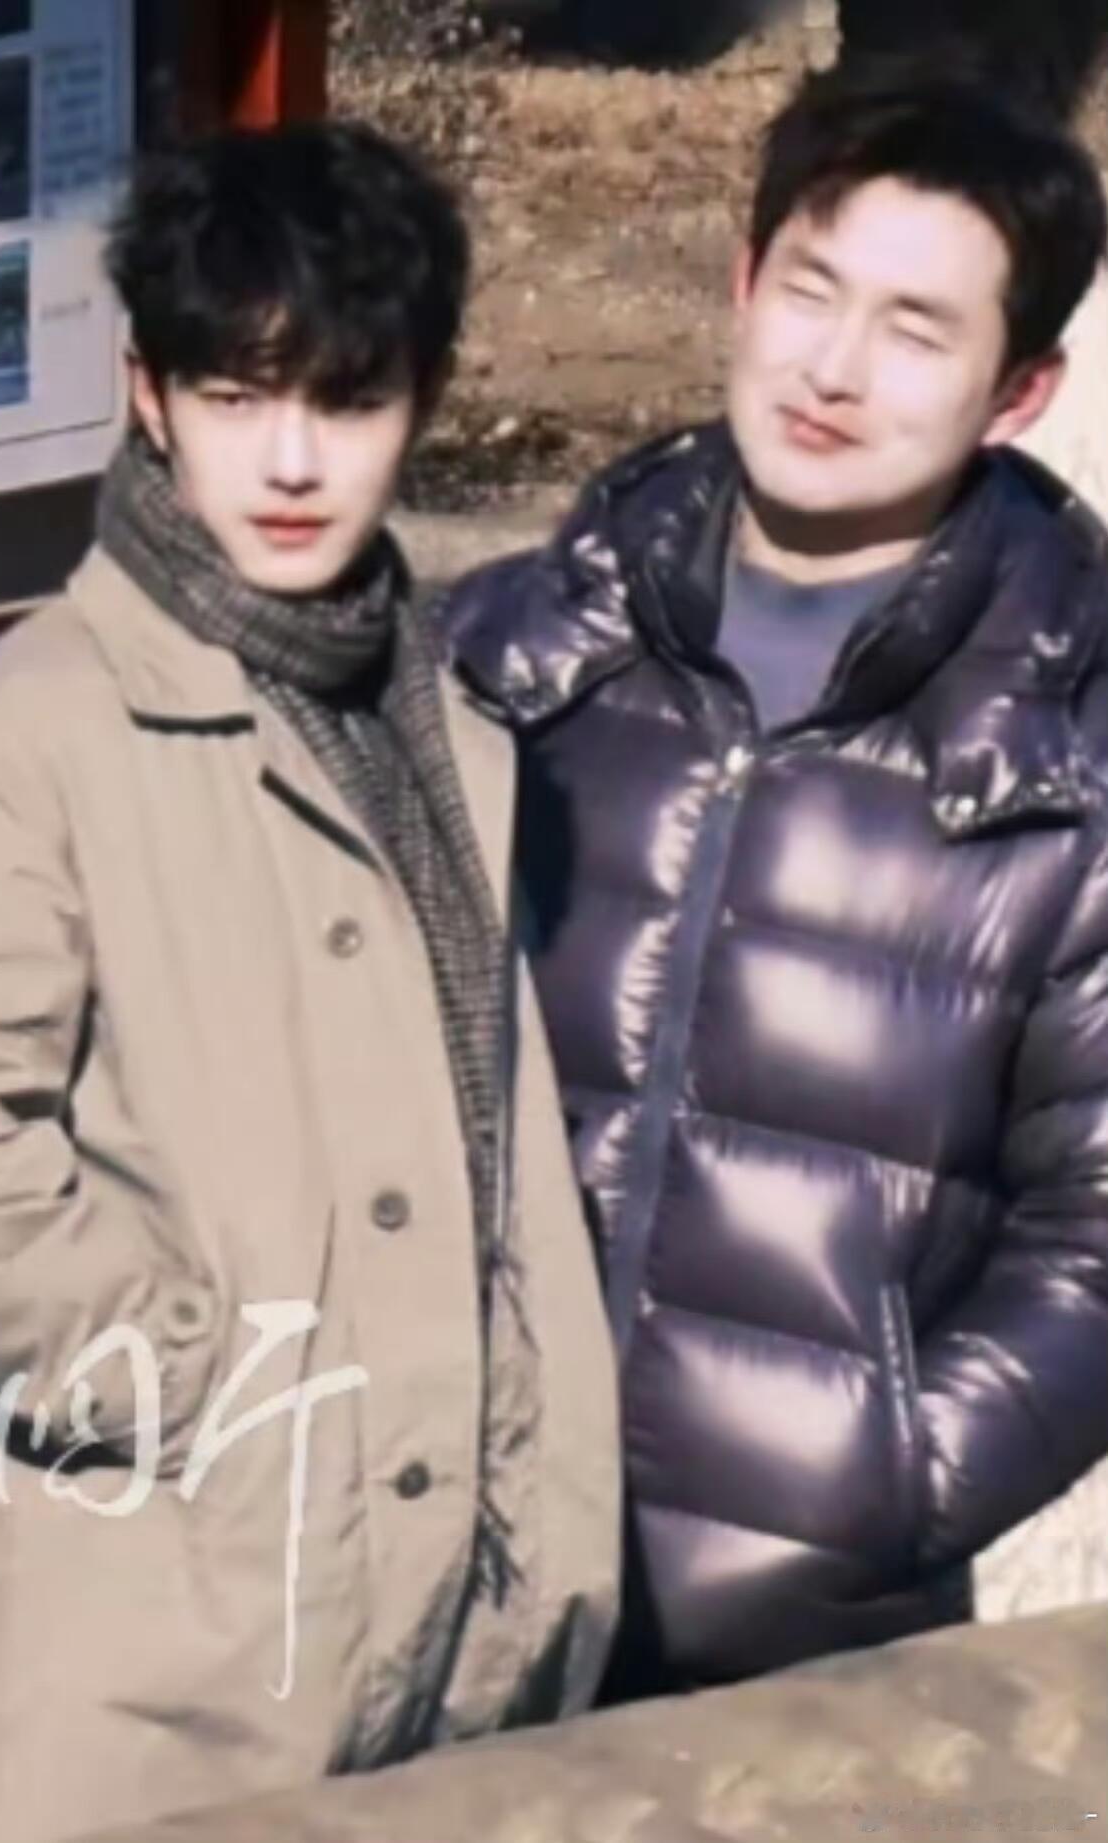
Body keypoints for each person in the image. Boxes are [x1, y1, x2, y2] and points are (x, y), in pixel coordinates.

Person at [0, 122, 619, 1843]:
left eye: (348, 399)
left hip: (461, 1646)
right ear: (150, 396)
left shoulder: (452, 727)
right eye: (237, 398)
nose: (293, 460)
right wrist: (211, 1399)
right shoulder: (18, 736)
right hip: (160, 1662)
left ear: (423, 399)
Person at [440, 65, 1108, 1694]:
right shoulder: (506, 655)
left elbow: (1093, 1235)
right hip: (433, 1600)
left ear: (1018, 391)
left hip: (797, 1665)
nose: (833, 368)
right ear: (743, 283)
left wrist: (880, 1487)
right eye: (809, 290)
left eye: (915, 330)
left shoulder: (1066, 769)